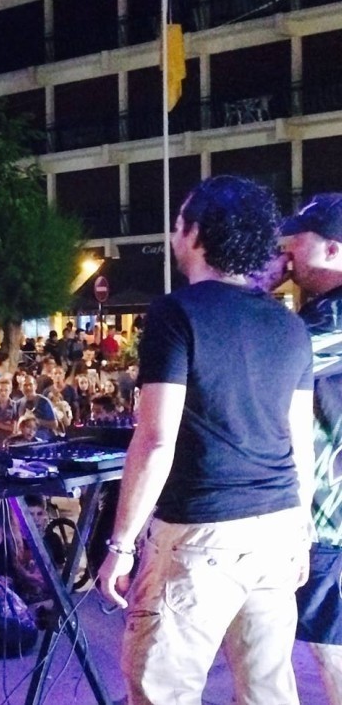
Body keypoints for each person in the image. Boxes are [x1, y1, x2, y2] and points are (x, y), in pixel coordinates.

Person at [97, 176, 315, 705]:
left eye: (178, 225)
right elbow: (300, 440)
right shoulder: (288, 326)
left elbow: (154, 441)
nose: (174, 236)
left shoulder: (177, 313)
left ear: (196, 234)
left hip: (202, 532)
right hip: (277, 526)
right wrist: (301, 529)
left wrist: (120, 547)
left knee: (161, 690)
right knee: (269, 691)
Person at [278, 193, 342, 704]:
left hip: (329, 515)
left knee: (329, 642)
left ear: (334, 249)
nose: (287, 252)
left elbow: (267, 363)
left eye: (298, 241)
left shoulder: (333, 318)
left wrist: (250, 285)